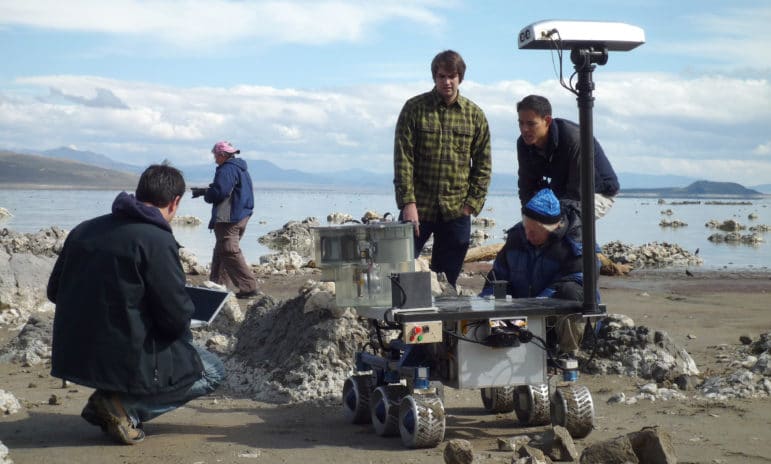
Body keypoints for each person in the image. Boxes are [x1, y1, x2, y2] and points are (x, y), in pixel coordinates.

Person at [47, 164, 225, 445]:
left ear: (139, 191)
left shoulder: (84, 229)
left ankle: (112, 401)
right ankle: (125, 407)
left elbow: (54, 291)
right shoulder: (156, 239)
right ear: (175, 201)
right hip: (121, 354)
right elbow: (175, 318)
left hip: (76, 354)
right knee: (212, 369)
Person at [393, 49, 492, 287]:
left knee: (446, 281)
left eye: (452, 76)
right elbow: (403, 158)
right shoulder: (414, 109)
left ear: (460, 78)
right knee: (399, 270)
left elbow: (483, 163)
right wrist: (408, 203)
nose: (446, 82)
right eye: (441, 76)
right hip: (420, 207)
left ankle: (442, 322)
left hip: (457, 210)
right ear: (434, 77)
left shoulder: (475, 115)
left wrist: (471, 205)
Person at [480, 188, 596, 353]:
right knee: (495, 294)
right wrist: (486, 301)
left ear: (553, 229)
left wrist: (537, 304)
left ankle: (568, 353)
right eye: (526, 228)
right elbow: (497, 276)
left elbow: (579, 280)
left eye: (534, 232)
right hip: (523, 316)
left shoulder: (575, 244)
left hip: (555, 315)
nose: (528, 235)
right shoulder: (516, 237)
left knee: (571, 291)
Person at [516, 94, 619, 219]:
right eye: (521, 123)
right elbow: (526, 187)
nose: (524, 129)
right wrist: (528, 219)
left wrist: (547, 221)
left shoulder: (574, 139)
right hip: (561, 191)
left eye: (531, 124)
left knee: (565, 224)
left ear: (547, 121)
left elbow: (576, 194)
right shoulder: (523, 143)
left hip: (597, 193)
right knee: (525, 230)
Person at [191, 141, 258, 299]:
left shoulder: (227, 169)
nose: (214, 159)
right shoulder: (239, 168)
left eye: (215, 155)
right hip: (241, 214)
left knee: (228, 249)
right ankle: (217, 286)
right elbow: (228, 190)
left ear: (222, 155)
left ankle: (249, 287)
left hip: (229, 217)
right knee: (222, 250)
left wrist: (207, 195)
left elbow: (220, 192)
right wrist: (204, 191)